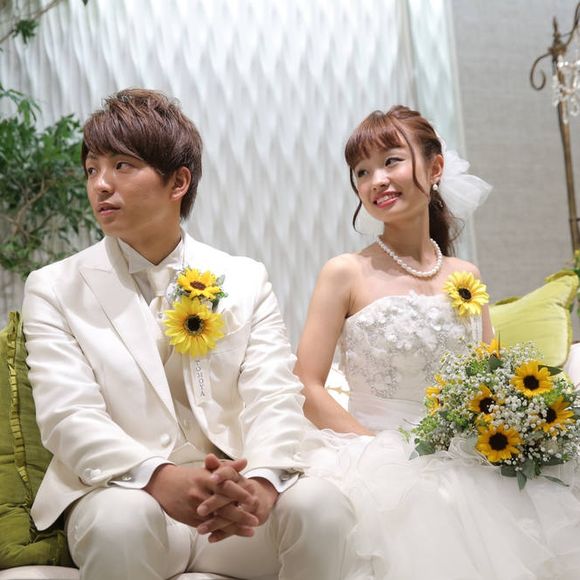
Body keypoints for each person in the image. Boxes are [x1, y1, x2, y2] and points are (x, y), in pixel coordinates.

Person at [21, 88, 361, 580]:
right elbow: (67, 415)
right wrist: (159, 478)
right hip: (122, 492)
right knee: (121, 522)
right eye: (92, 169)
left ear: (178, 181)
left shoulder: (244, 278)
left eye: (121, 166)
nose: (100, 184)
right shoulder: (54, 286)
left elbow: (274, 394)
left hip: (231, 507)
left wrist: (262, 483)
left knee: (322, 507)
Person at [295, 105, 580, 579]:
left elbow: (490, 380)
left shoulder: (466, 274)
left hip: (464, 454)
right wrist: (381, 449)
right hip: (372, 453)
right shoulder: (344, 272)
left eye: (391, 161)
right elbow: (306, 386)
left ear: (435, 168)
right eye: (361, 171)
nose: (376, 180)